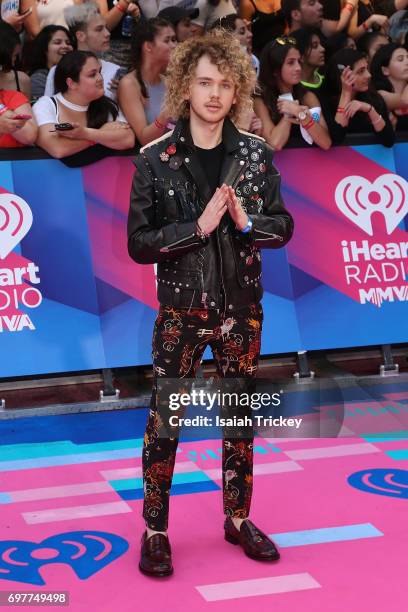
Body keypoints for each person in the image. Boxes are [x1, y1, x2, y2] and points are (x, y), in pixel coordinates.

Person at [128, 29, 294, 578]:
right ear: (184, 87)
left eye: (225, 83)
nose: (215, 94)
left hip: (242, 309)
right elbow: (138, 242)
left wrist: (250, 225)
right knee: (165, 423)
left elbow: (283, 225)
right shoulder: (155, 160)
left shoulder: (255, 156)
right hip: (180, 311)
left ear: (238, 88)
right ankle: (155, 529)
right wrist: (195, 230)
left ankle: (238, 517)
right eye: (204, 83)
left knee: (240, 421)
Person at [33, 50, 134, 160]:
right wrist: (100, 134)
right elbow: (57, 149)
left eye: (100, 72)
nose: (100, 78)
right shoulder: (46, 105)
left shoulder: (108, 105)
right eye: (92, 75)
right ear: (71, 83)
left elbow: (128, 139)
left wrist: (87, 133)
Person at [254, 36, 331, 150]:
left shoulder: (308, 96)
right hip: (277, 167)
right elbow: (275, 144)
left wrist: (299, 112)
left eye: (299, 62)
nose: (298, 68)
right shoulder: (260, 99)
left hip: (308, 164)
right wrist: (287, 115)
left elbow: (326, 143)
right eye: (291, 63)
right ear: (275, 69)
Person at [118, 17, 177, 145]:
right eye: (167, 40)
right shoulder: (129, 84)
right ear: (148, 46)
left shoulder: (169, 81)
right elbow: (145, 139)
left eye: (174, 39)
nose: (174, 45)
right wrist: (166, 115)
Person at [44, 3, 120, 101]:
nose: (107, 33)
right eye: (99, 29)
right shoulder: (57, 70)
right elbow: (49, 106)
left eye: (106, 28)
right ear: (80, 36)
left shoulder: (114, 70)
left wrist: (122, 94)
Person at [322, 47, 395, 145]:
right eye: (361, 71)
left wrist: (369, 109)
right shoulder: (326, 101)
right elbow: (338, 137)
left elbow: (388, 141)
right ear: (343, 75)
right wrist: (346, 93)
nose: (369, 75)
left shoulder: (373, 97)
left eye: (366, 69)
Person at [26, 25, 73, 102]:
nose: (65, 46)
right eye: (57, 42)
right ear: (44, 49)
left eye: (68, 43)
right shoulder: (38, 78)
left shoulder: (78, 74)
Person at [371, 42, 408, 128]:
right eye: (400, 59)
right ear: (385, 70)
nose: (407, 62)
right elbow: (405, 100)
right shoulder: (380, 95)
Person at [0, 21, 31, 99]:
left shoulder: (22, 80)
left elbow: (26, 110)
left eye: (16, 56)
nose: (13, 63)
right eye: (13, 56)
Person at [292, 26, 326, 92]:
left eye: (320, 44)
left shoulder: (326, 77)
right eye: (314, 46)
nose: (323, 49)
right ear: (300, 56)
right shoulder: (295, 88)